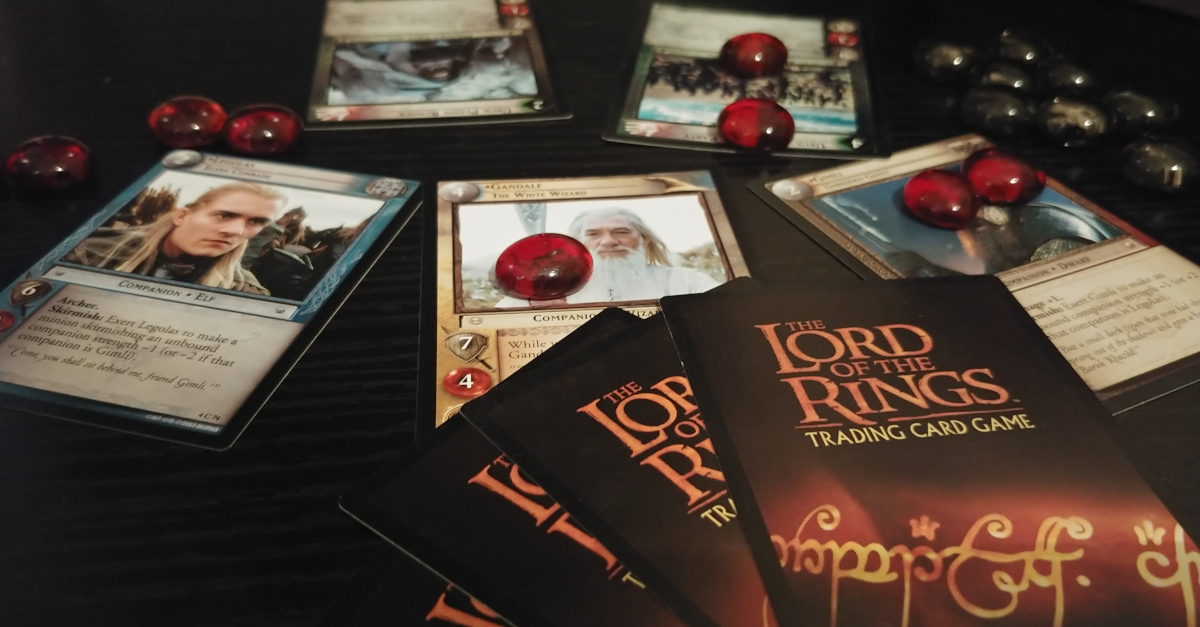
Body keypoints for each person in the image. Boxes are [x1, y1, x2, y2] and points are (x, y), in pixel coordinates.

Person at [66, 182, 286, 295]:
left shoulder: (242, 290)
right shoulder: (88, 252)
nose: (236, 231)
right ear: (182, 215)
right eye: (224, 215)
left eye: (256, 222)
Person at [494, 207, 721, 308]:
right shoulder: (545, 289)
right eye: (593, 234)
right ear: (577, 244)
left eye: (621, 232)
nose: (608, 241)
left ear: (644, 240)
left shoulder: (687, 282)